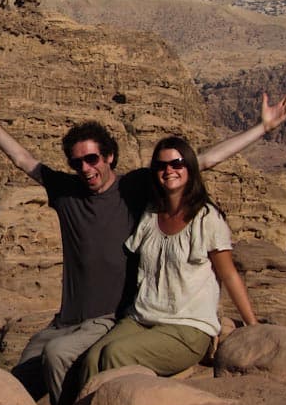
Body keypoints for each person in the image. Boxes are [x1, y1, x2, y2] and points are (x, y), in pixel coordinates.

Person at [0, 84, 286, 405]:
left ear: (109, 156)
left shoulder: (135, 188)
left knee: (59, 357)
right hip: (64, 320)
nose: (85, 168)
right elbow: (24, 160)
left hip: (108, 317)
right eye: (77, 162)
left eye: (92, 159)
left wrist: (263, 128)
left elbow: (202, 160)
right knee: (16, 384)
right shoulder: (66, 192)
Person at [78, 136, 257, 386]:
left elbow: (229, 275)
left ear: (190, 168)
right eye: (162, 166)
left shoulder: (207, 218)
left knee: (116, 355)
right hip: (143, 318)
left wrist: (253, 324)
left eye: (177, 164)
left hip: (187, 327)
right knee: (92, 358)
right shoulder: (151, 214)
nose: (169, 170)